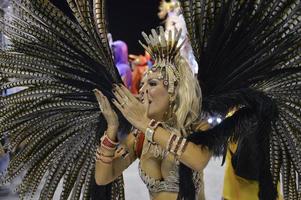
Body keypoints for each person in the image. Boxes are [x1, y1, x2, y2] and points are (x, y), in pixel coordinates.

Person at [93, 28, 210, 200]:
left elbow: (198, 160)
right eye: (142, 83)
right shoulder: (140, 137)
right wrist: (112, 127)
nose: (142, 90)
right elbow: (103, 178)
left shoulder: (196, 127)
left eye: (152, 83)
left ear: (172, 91)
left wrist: (146, 124)